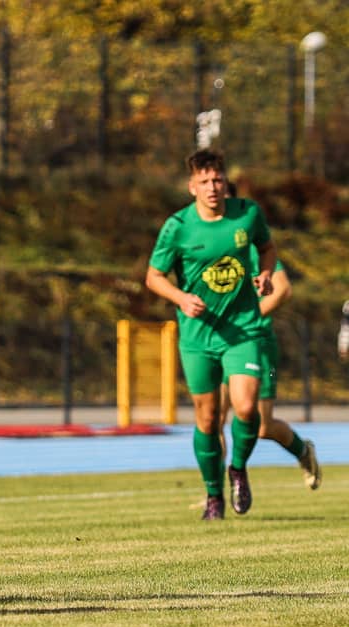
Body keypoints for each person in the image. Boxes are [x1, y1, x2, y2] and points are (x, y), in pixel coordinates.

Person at [145, 149, 276, 520]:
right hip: (198, 337)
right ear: (192, 187)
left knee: (246, 407)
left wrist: (266, 273)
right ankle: (213, 495)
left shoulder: (247, 213)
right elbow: (153, 276)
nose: (212, 187)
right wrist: (180, 298)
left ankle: (238, 468)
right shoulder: (178, 226)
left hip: (243, 329)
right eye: (204, 181)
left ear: (225, 181)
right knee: (207, 418)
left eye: (217, 179)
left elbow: (267, 248)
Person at [216, 258, 321, 489]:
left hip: (262, 352)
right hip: (222, 345)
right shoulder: (218, 252)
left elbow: (283, 289)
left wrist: (248, 320)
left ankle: (303, 451)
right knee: (214, 420)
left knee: (263, 427)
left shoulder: (257, 252)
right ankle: (216, 493)